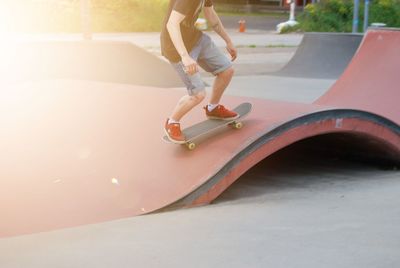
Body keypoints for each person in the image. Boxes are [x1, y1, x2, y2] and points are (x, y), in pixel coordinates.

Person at [161, 0, 238, 144]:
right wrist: (185, 57)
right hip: (176, 49)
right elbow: (172, 24)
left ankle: (213, 108)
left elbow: (211, 15)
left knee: (227, 70)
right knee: (198, 95)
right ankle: (172, 122)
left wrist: (228, 41)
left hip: (195, 39)